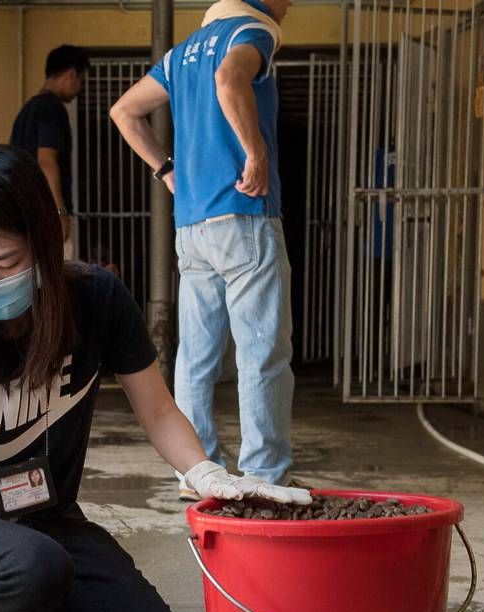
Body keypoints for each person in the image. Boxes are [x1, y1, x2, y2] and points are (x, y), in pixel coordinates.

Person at [0, 145, 308, 612]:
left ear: (44, 238)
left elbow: (158, 411)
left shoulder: (95, 299)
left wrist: (207, 473)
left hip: (49, 522)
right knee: (33, 564)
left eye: (8, 262)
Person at [111, 0, 296, 496]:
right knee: (262, 354)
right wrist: (255, 152)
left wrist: (166, 170)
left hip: (192, 227)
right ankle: (264, 473)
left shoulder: (180, 53)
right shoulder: (255, 31)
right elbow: (230, 80)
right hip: (244, 217)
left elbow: (124, 111)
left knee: (195, 358)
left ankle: (196, 471)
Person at [10, 45, 90, 258]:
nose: (79, 87)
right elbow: (46, 160)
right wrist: (59, 212)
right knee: (58, 281)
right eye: (81, 80)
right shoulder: (52, 109)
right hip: (45, 214)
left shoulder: (27, 110)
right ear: (72, 74)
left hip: (22, 212)